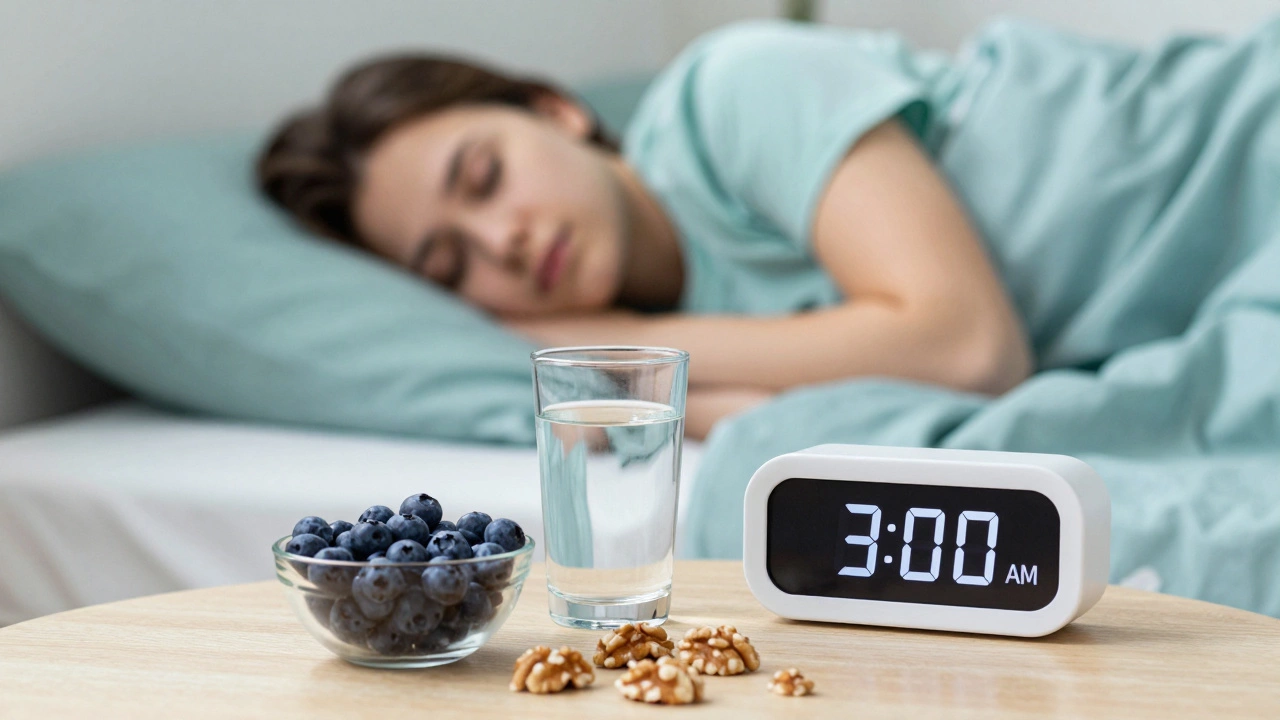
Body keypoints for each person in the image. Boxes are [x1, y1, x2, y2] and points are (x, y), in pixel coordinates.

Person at [257, 17, 1280, 439]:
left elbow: (966, 346)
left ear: (554, 108)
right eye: (451, 264)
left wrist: (614, 357)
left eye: (483, 178)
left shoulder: (728, 92)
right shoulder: (710, 324)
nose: (503, 243)